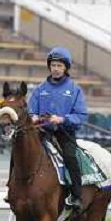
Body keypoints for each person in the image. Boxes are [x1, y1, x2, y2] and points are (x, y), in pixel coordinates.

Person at [20, 46, 88, 211]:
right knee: (21, 152)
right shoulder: (40, 89)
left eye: (59, 66)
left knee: (71, 157)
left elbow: (81, 116)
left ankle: (77, 196)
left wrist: (62, 119)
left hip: (64, 133)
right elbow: (30, 111)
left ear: (65, 68)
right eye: (53, 65)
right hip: (42, 132)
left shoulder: (74, 90)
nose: (56, 69)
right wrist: (33, 117)